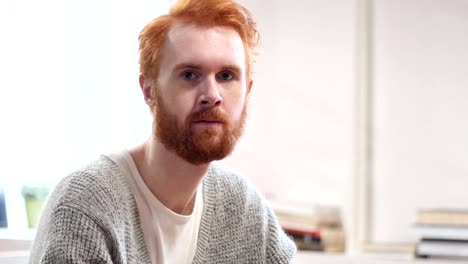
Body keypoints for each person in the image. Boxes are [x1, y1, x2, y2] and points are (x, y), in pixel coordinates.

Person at [29, 0, 296, 263]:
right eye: (190, 75)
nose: (212, 95)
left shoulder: (243, 207)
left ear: (248, 90)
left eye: (226, 76)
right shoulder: (85, 207)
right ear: (149, 90)